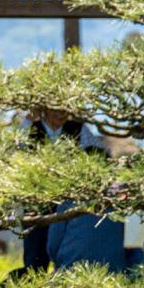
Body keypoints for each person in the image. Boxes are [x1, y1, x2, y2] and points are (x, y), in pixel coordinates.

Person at [20, 106, 107, 275]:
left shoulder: (78, 129)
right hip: (36, 201)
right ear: (44, 109)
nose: (61, 114)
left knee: (66, 250)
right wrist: (29, 120)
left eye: (64, 109)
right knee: (35, 253)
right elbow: (14, 149)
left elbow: (100, 155)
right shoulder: (31, 127)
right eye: (56, 109)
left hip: (66, 201)